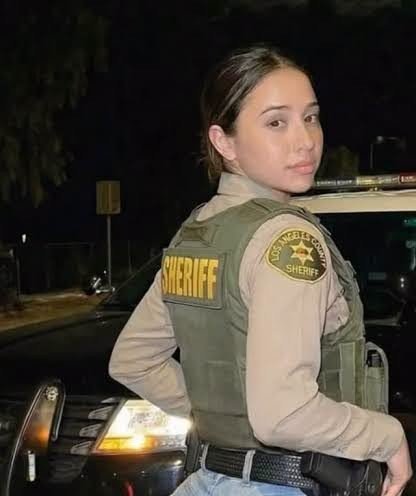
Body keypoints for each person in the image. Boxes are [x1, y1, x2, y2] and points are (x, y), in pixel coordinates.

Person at [109, 45, 412, 496]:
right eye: (276, 123)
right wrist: (387, 436)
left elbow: (134, 360)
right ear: (223, 142)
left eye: (310, 117)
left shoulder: (199, 233)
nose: (305, 140)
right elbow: (283, 414)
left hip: (207, 481)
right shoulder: (289, 240)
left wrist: (226, 416)